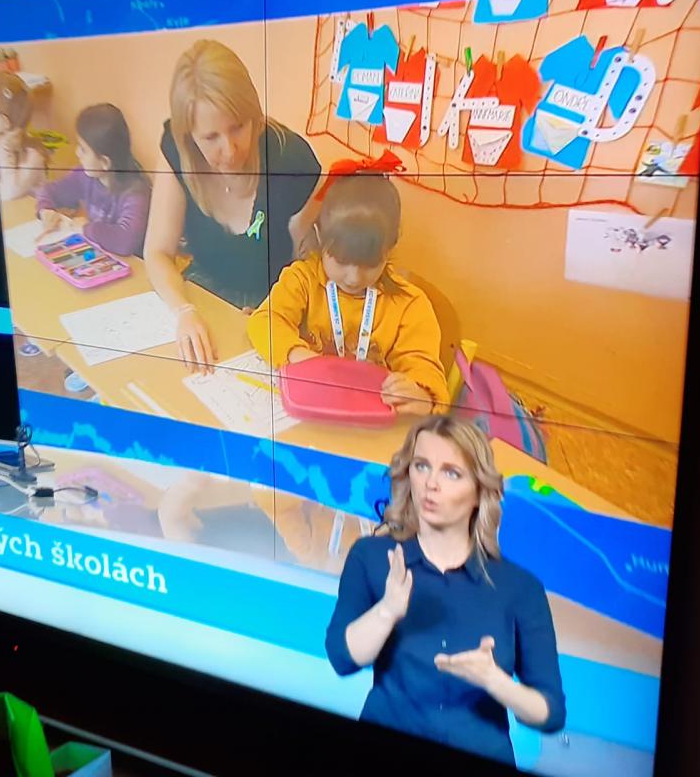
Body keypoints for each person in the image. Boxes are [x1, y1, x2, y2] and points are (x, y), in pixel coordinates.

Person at [325, 415, 565, 766]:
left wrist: (495, 681)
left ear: (479, 492)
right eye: (422, 466)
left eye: (451, 473)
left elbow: (551, 712)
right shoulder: (372, 557)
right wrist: (387, 611)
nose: (431, 484)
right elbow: (341, 658)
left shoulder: (520, 588)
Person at [143, 40, 322, 371]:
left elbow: (313, 272)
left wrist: (277, 311)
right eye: (211, 137)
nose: (230, 150)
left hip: (272, 312)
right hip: (202, 294)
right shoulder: (176, 150)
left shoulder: (290, 160)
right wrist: (184, 311)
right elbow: (157, 251)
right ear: (189, 136)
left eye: (238, 126)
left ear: (253, 113)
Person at [247, 169, 449, 414]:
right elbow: (264, 320)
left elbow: (426, 370)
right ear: (320, 236)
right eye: (341, 260)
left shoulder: (410, 305)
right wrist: (302, 358)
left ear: (390, 247)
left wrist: (421, 395)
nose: (354, 278)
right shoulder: (303, 279)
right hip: (311, 409)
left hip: (369, 420)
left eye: (370, 264)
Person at [33, 103, 151, 256]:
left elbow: (125, 242)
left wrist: (86, 228)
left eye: (83, 149)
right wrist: (45, 210)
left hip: (133, 264)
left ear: (105, 162)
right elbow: (48, 190)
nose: (77, 153)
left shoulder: (136, 192)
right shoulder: (84, 175)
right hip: (100, 256)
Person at [0, 71, 47, 200]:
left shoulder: (33, 156)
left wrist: (5, 149)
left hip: (28, 210)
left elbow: (8, 193)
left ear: (5, 121)